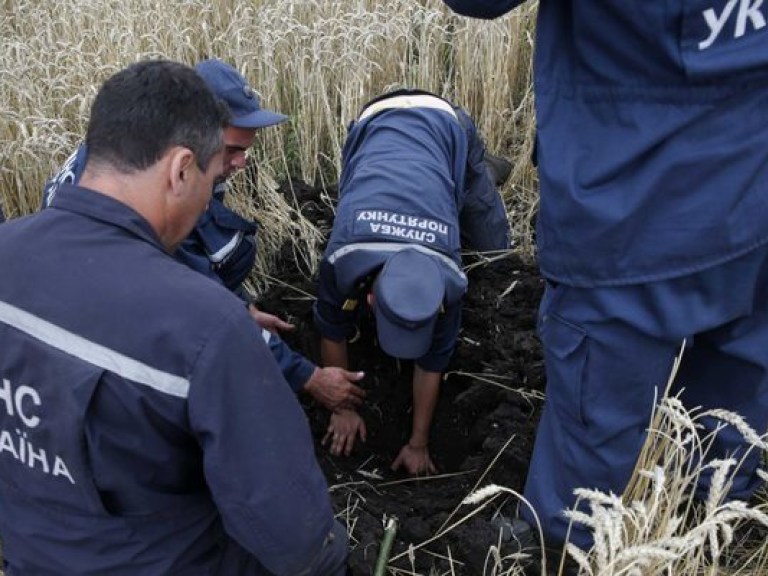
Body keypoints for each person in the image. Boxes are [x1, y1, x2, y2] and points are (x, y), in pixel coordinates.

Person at [442, 0, 768, 562]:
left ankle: (572, 554)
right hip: (753, 182)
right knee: (737, 399)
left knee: (593, 445)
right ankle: (706, 537)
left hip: (633, 206)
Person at [0, 59, 348, 575]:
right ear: (181, 169)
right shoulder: (206, 327)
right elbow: (290, 534)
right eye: (210, 176)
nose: (211, 193)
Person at [43, 58, 365, 414]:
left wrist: (246, 309)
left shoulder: (130, 153)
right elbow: (203, 308)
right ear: (190, 137)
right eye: (233, 150)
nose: (242, 162)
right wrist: (310, 378)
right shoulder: (153, 207)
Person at [314, 88, 511, 476]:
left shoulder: (450, 280)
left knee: (494, 253)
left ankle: (481, 171)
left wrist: (418, 442)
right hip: (375, 125)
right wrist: (343, 407)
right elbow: (331, 331)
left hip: (445, 125)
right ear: (369, 299)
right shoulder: (342, 261)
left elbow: (431, 364)